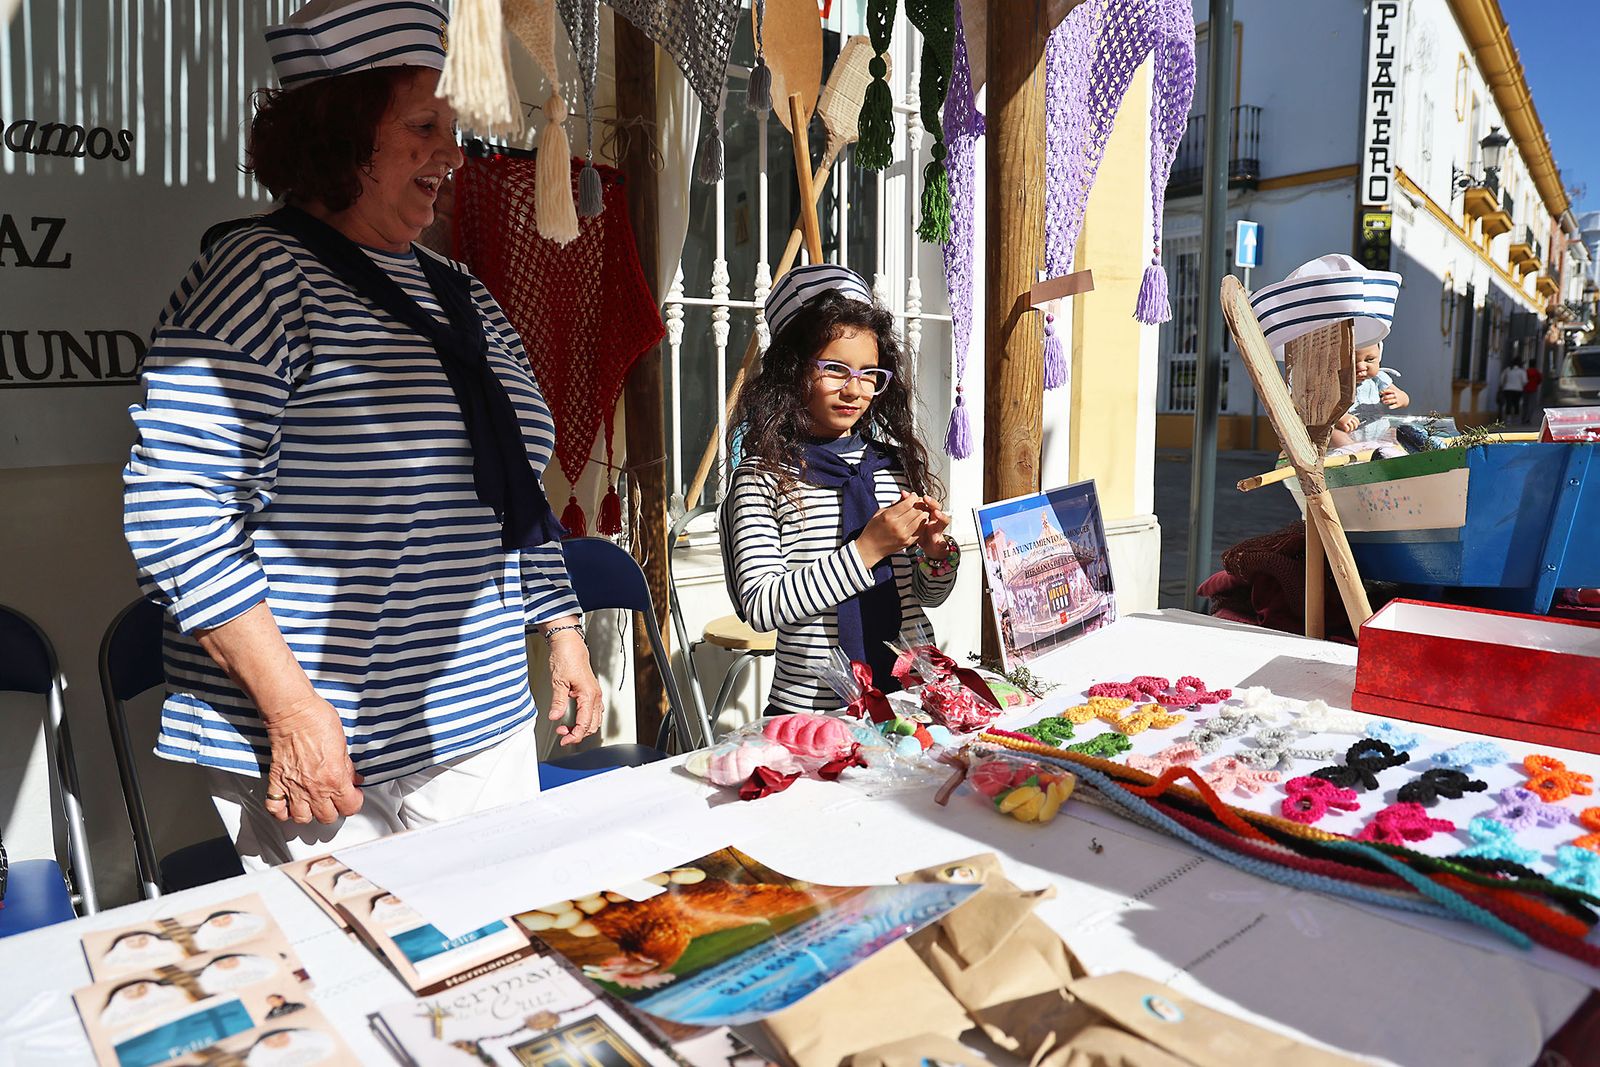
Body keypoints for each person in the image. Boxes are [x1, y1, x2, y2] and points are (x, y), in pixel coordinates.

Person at [122, 0, 602, 869]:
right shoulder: (258, 277)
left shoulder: (461, 293)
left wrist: (560, 625)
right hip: (329, 739)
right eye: (423, 127)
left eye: (452, 129)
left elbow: (512, 487)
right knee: (359, 985)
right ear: (340, 136)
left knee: (497, 968)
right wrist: (293, 711)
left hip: (477, 716)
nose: (452, 156)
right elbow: (174, 509)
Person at [720, 265, 959, 715]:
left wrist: (936, 554)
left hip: (913, 697)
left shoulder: (894, 467)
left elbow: (926, 597)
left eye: (869, 373)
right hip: (813, 712)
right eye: (835, 369)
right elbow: (760, 605)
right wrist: (866, 551)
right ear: (792, 371)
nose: (854, 390)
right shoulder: (762, 478)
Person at [1328, 342, 1409, 451]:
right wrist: (1339, 417)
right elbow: (1322, 410)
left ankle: (1396, 452)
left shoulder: (1378, 379)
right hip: (1348, 432)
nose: (1361, 367)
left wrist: (1399, 398)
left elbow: (1405, 399)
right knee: (1334, 434)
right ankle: (1353, 453)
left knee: (1401, 433)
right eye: (1351, 361)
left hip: (1380, 430)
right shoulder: (1334, 383)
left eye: (1369, 359)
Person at [1522, 359, 1543, 425]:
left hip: (1525, 389)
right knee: (1531, 405)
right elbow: (1540, 380)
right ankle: (1528, 418)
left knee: (1525, 404)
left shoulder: (1526, 371)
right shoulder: (1537, 372)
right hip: (1533, 389)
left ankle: (1523, 417)